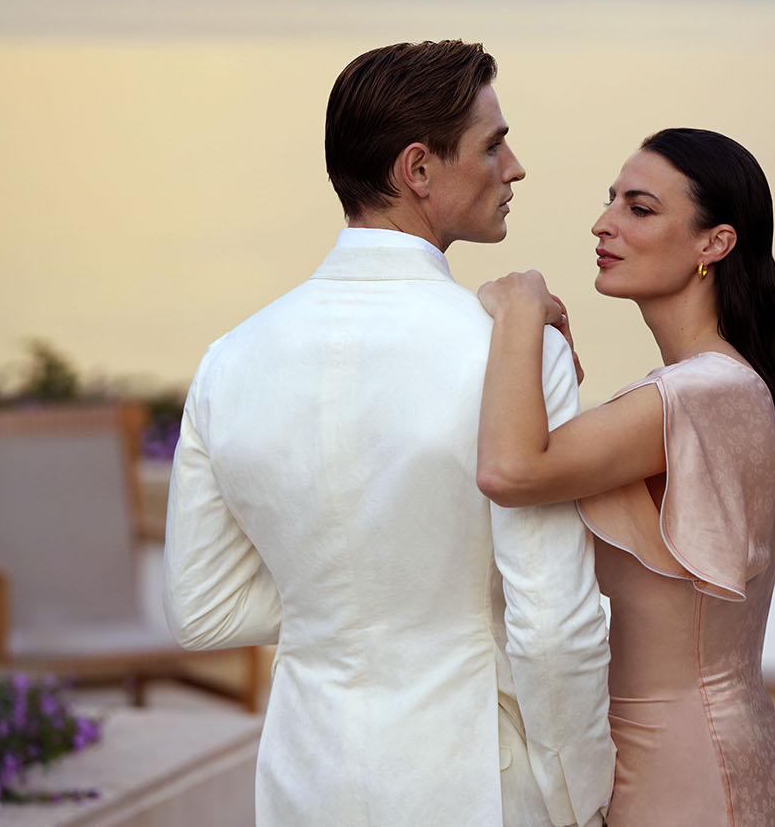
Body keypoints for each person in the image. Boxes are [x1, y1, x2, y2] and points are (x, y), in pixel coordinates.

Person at [163, 40, 615, 827]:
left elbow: (202, 609)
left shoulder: (228, 360)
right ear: (418, 169)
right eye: (492, 144)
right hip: (477, 782)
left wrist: (349, 600)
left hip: (306, 780)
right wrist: (587, 796)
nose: (514, 168)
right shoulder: (513, 350)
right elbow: (552, 625)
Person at [475, 127, 775, 826]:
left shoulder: (703, 392)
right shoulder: (713, 389)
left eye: (639, 208)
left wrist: (518, 310)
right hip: (671, 755)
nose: (604, 224)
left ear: (714, 243)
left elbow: (510, 468)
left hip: (688, 773)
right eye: (611, 201)